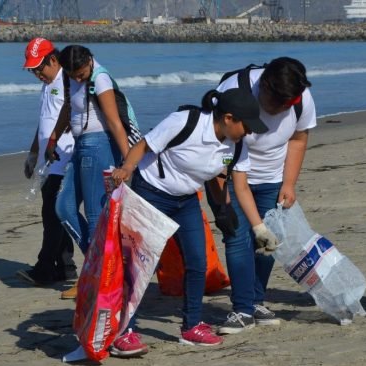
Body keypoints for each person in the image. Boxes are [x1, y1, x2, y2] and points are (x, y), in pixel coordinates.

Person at [111, 88, 271, 347]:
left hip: (186, 201)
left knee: (197, 262)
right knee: (140, 264)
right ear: (229, 118)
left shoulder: (237, 145)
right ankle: (124, 332)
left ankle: (191, 326)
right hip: (152, 193)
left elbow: (232, 183)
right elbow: (143, 144)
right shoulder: (186, 122)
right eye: (247, 125)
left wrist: (243, 220)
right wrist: (127, 168)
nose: (249, 132)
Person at [214, 57, 317, 334]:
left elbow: (298, 139)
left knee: (268, 243)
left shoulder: (301, 98)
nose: (281, 110)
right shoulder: (235, 88)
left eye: (288, 105)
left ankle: (256, 301)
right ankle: (241, 309)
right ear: (266, 88)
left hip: (273, 178)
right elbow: (214, 140)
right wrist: (220, 193)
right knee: (237, 238)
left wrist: (289, 183)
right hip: (233, 176)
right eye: (277, 104)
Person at [55, 45, 137, 301]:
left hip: (98, 145)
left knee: (94, 215)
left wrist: (129, 162)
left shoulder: (100, 78)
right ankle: (102, 269)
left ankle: (97, 277)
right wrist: (52, 139)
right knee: (64, 207)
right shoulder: (71, 77)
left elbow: (114, 121)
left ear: (89, 61)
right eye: (73, 75)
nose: (77, 79)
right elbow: (68, 109)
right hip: (80, 146)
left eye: (81, 74)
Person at [16, 38, 77, 286]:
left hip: (63, 159)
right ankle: (66, 267)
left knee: (51, 215)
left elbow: (73, 117)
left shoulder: (67, 81)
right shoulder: (48, 84)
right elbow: (44, 122)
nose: (37, 74)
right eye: (32, 71)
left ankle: (44, 270)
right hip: (47, 162)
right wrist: (33, 154)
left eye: (39, 68)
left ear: (53, 59)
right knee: (55, 216)